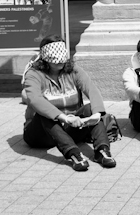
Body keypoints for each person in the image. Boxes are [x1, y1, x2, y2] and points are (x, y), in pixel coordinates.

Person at [22, 35, 116, 171]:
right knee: (45, 113)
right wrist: (64, 118)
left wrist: (97, 113)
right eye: (55, 59)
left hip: (70, 129)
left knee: (91, 108)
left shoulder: (74, 70)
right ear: (45, 58)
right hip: (40, 134)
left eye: (62, 58)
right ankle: (74, 154)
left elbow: (92, 89)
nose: (60, 62)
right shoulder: (34, 74)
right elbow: (35, 100)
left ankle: (102, 150)